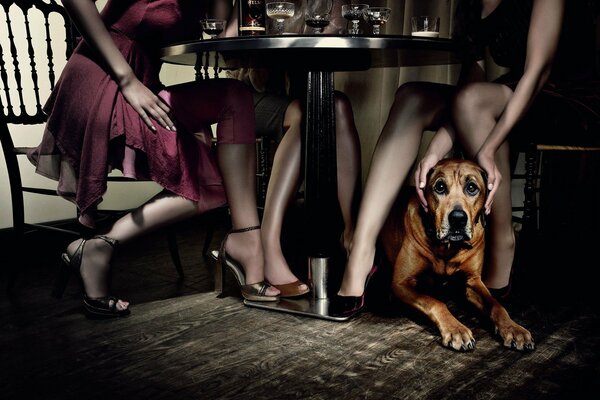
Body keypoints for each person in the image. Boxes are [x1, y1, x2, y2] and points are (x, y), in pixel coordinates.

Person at [333, 0, 600, 317]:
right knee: (412, 97)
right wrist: (434, 151)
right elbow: (467, 93)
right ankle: (361, 249)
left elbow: (538, 71)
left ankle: (502, 239)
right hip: (500, 98)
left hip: (570, 99)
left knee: (476, 102)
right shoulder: (471, 4)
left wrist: (489, 147)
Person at [28, 0, 281, 318]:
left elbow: (224, 41)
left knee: (235, 98)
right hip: (105, 78)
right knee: (207, 184)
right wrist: (127, 80)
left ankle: (248, 244)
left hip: (145, 82)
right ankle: (100, 245)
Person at [222, 0, 362, 297]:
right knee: (305, 115)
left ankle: (351, 233)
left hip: (298, 92)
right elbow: (228, 44)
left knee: (338, 105)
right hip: (247, 98)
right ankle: (269, 246)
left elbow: (338, 27)